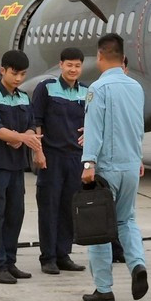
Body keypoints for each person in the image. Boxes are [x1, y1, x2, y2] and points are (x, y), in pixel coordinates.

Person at [80, 32, 149, 301]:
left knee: (98, 226)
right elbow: (137, 127)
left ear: (99, 56)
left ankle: (104, 288)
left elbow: (94, 129)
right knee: (127, 220)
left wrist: (89, 162)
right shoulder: (136, 87)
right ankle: (137, 264)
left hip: (106, 167)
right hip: (131, 165)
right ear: (123, 58)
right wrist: (138, 157)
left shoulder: (98, 89)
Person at [0, 49, 43, 285]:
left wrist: (23, 137)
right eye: (14, 73)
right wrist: (19, 137)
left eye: (23, 74)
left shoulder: (24, 98)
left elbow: (30, 126)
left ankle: (9, 261)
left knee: (15, 215)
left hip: (16, 167)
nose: (18, 79)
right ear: (2, 70)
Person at [30, 48, 89, 276]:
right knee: (49, 208)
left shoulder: (86, 91)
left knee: (69, 208)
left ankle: (64, 254)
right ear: (60, 65)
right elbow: (37, 121)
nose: (73, 70)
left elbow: (93, 119)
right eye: (69, 65)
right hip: (52, 158)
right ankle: (48, 257)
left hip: (75, 158)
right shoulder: (46, 88)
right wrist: (39, 152)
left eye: (77, 66)